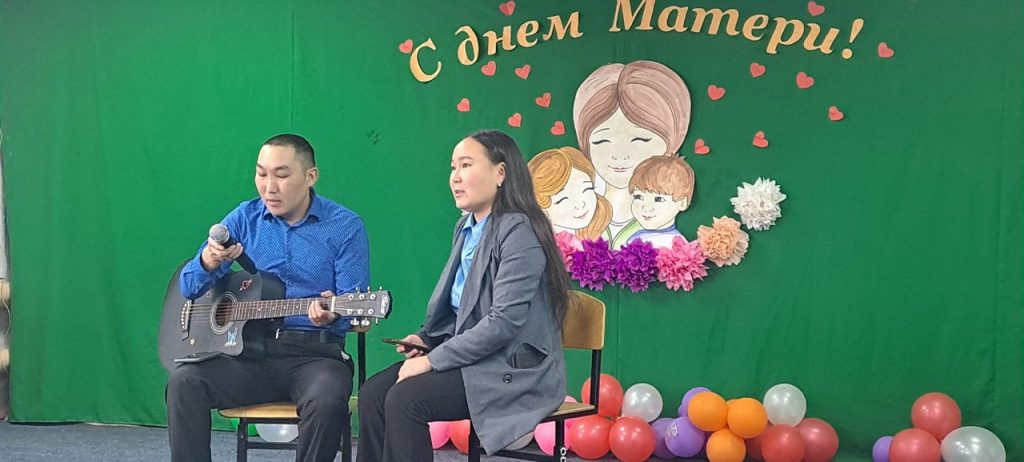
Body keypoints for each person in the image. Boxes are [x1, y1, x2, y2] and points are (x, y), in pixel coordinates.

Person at [357, 130, 570, 461]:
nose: (455, 177)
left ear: (500, 173)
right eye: (453, 167)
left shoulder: (519, 231)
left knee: (406, 399)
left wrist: (433, 360)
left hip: (511, 367)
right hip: (473, 358)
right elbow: (464, 310)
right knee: (373, 393)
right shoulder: (466, 227)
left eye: (466, 165)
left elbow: (503, 323)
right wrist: (426, 338)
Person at [166, 134, 370, 462]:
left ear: (311, 176)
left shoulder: (345, 226)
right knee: (184, 383)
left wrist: (333, 314)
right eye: (261, 174)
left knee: (327, 399)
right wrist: (209, 260)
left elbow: (352, 306)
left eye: (282, 175)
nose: (269, 187)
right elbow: (189, 287)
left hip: (314, 356)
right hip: (246, 356)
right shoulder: (244, 218)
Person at [572, 60, 692, 248]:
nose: (619, 155)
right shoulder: (577, 207)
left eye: (641, 140)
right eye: (601, 141)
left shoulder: (663, 224)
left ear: (673, 141)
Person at [528, 146, 613, 241]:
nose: (580, 204)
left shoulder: (605, 231)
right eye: (562, 199)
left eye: (587, 189)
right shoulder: (534, 241)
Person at [626, 156, 695, 247]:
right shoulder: (636, 237)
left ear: (682, 203)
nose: (646, 207)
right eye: (638, 197)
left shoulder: (676, 244)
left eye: (658, 199)